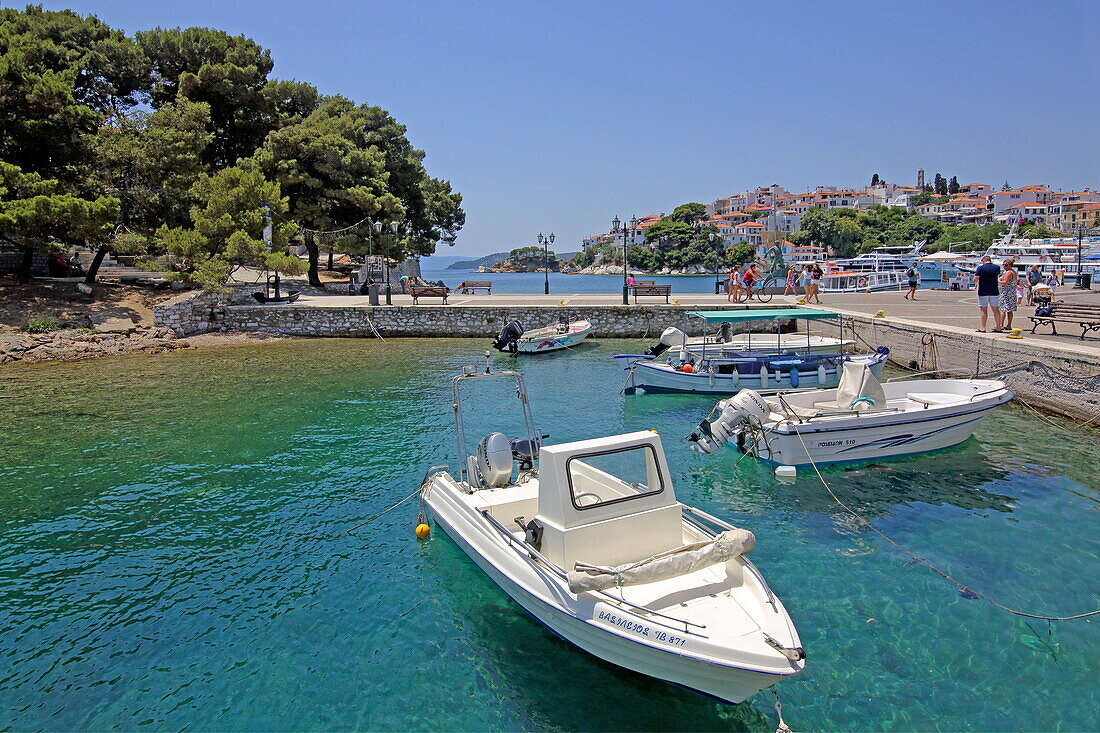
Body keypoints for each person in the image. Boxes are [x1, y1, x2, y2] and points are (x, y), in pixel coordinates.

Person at [974, 255, 1001, 332]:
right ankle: (998, 326)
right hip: (994, 290)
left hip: (983, 290)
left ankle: (983, 327)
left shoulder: (980, 268)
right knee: (995, 309)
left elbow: (975, 279)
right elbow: (997, 276)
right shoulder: (996, 267)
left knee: (983, 310)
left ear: (983, 261)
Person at [997, 259, 1018, 331]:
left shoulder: (1008, 273)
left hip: (1006, 293)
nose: (1004, 266)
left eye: (1006, 265)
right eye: (1003, 265)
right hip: (1011, 293)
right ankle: (1008, 325)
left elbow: (1005, 282)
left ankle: (1000, 325)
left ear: (1010, 265)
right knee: (1009, 310)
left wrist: (997, 281)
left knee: (1002, 309)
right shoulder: (1013, 272)